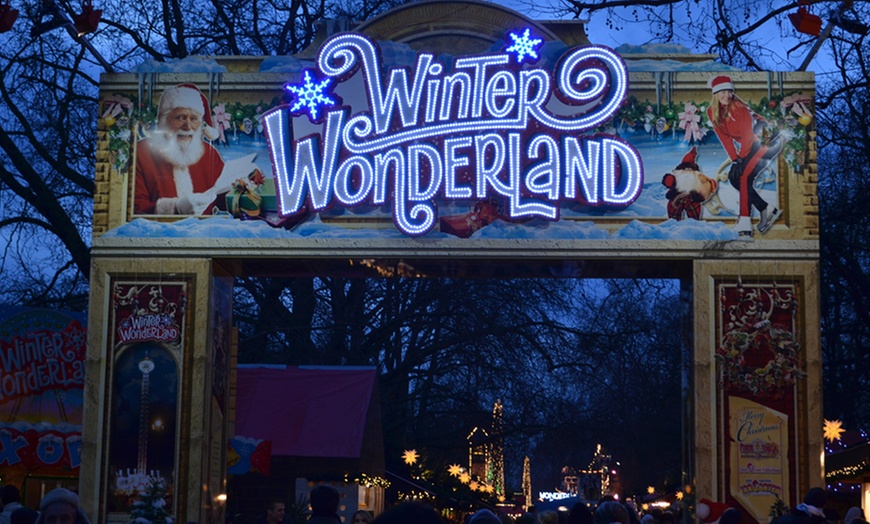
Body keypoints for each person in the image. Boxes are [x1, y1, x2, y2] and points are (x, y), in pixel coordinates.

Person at [706, 75, 783, 238]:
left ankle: (745, 223)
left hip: (766, 138)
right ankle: (766, 209)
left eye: (729, 92)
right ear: (715, 93)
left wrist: (740, 160)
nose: (727, 95)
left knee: (742, 177)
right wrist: (735, 160)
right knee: (735, 178)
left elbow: (748, 136)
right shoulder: (712, 112)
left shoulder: (737, 107)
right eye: (723, 92)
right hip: (752, 143)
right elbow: (725, 139)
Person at [134, 83, 225, 215]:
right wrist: (175, 208)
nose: (188, 126)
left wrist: (245, 185)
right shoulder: (141, 152)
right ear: (163, 120)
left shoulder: (210, 154)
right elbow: (132, 206)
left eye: (194, 119)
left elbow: (223, 197)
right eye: (180, 117)